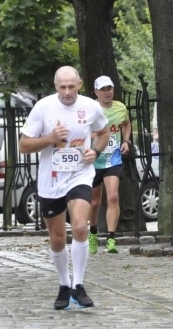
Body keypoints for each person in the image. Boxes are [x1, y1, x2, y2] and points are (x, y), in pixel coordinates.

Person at [19, 66, 109, 310]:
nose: (67, 92)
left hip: (80, 174)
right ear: (55, 86)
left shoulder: (91, 106)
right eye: (62, 87)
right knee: (58, 238)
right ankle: (64, 284)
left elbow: (103, 132)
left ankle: (79, 285)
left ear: (80, 84)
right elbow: (23, 145)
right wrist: (49, 138)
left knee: (80, 226)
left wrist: (96, 151)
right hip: (51, 179)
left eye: (72, 86)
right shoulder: (44, 108)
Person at [88, 76, 131, 254]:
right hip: (92, 160)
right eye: (103, 89)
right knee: (94, 201)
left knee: (113, 197)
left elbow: (127, 124)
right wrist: (93, 137)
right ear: (96, 92)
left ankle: (111, 239)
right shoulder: (90, 108)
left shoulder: (120, 107)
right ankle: (93, 232)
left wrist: (126, 141)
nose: (107, 92)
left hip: (113, 159)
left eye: (109, 89)